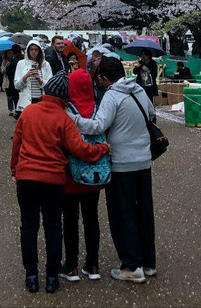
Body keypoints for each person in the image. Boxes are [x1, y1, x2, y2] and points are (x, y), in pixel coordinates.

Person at [11, 73, 110, 294]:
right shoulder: (63, 118)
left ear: (46, 92)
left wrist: (14, 169)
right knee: (53, 227)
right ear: (65, 97)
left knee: (28, 227)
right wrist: (103, 149)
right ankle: (53, 277)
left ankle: (32, 276)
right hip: (53, 180)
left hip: (26, 177)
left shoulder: (28, 112)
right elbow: (80, 150)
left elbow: (16, 142)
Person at [73, 57, 158, 284]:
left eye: (99, 77)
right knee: (144, 212)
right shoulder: (137, 89)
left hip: (121, 163)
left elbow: (98, 125)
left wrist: (73, 120)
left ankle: (131, 266)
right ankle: (148, 262)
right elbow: (151, 114)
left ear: (104, 78)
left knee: (123, 214)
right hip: (143, 160)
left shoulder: (112, 95)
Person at [61, 69, 106, 283]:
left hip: (72, 172)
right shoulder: (99, 108)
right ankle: (93, 264)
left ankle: (71, 266)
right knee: (92, 219)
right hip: (95, 172)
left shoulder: (67, 109)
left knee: (70, 219)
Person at [14, 40, 53, 116]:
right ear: (27, 51)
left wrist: (40, 80)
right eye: (31, 49)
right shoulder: (21, 64)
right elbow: (16, 86)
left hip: (42, 101)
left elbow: (50, 85)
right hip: (27, 101)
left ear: (39, 51)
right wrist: (25, 76)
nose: (33, 52)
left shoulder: (46, 64)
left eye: (36, 49)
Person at [6, 45, 23, 116]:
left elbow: (11, 75)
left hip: (15, 85)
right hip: (24, 84)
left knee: (17, 101)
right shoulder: (24, 59)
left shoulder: (14, 61)